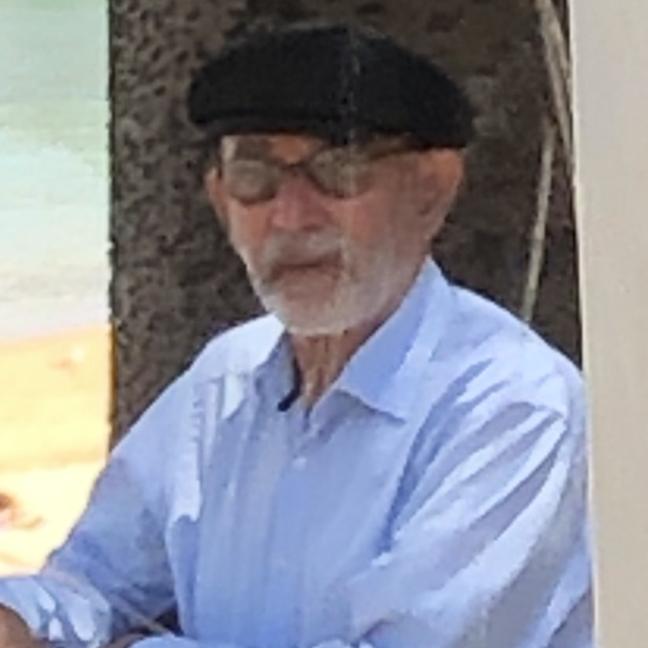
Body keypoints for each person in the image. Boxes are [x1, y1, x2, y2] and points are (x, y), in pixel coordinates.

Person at [0, 22, 593, 648]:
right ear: (221, 200)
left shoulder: (513, 406)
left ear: (432, 189)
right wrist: (19, 621)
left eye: (338, 171)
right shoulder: (225, 382)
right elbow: (94, 582)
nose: (290, 216)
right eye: (256, 178)